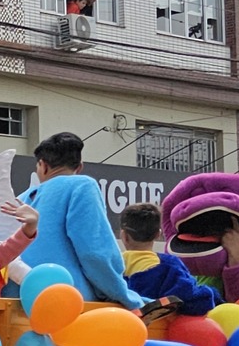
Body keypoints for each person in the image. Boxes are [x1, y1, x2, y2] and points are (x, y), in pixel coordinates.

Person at [8, 132, 144, 308]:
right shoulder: (82, 186)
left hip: (15, 298)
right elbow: (95, 252)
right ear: (79, 167)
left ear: (43, 166)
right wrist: (123, 295)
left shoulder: (21, 199)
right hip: (68, 299)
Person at [119, 201, 213, 315]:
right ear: (158, 234)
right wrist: (210, 293)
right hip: (158, 331)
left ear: (123, 235)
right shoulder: (169, 265)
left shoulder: (111, 266)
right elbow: (195, 302)